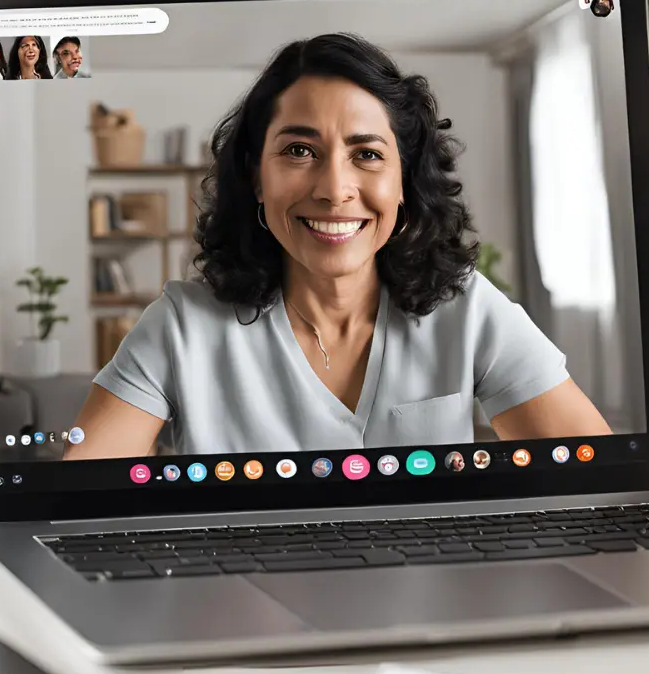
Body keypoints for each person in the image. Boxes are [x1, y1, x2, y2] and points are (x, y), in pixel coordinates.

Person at [64, 33, 613, 460]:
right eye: (299, 150)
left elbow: (599, 471)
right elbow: (73, 504)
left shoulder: (467, 309)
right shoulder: (181, 326)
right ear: (256, 177)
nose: (333, 189)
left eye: (367, 154)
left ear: (404, 183)